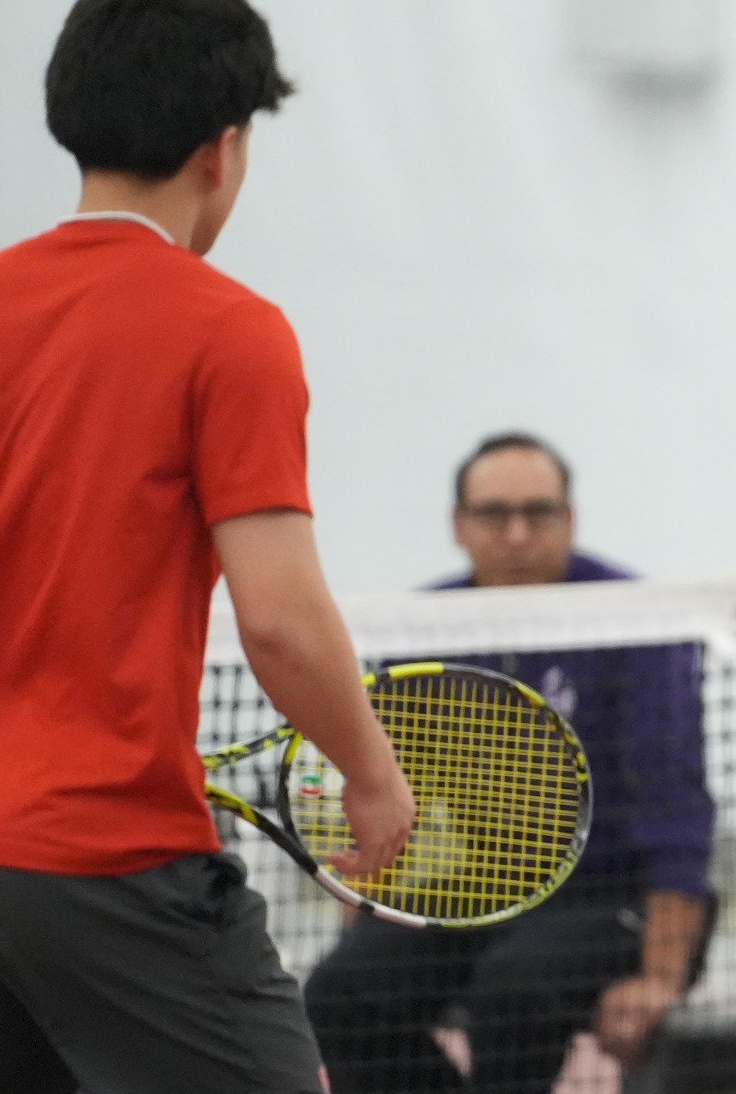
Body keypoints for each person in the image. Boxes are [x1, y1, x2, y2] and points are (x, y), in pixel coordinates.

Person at [0, 0, 418, 1092]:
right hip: (106, 858)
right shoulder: (231, 332)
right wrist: (371, 773)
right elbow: (280, 619)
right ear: (223, 149)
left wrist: (36, 684)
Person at [304, 432, 715, 1093]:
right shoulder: (417, 630)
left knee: (512, 991)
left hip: (608, 896)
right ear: (459, 524)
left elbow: (676, 807)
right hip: (474, 895)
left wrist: (659, 975)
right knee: (340, 992)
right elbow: (380, 799)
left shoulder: (637, 620)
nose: (517, 534)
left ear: (570, 518)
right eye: (495, 514)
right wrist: (361, 923)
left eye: (539, 512)